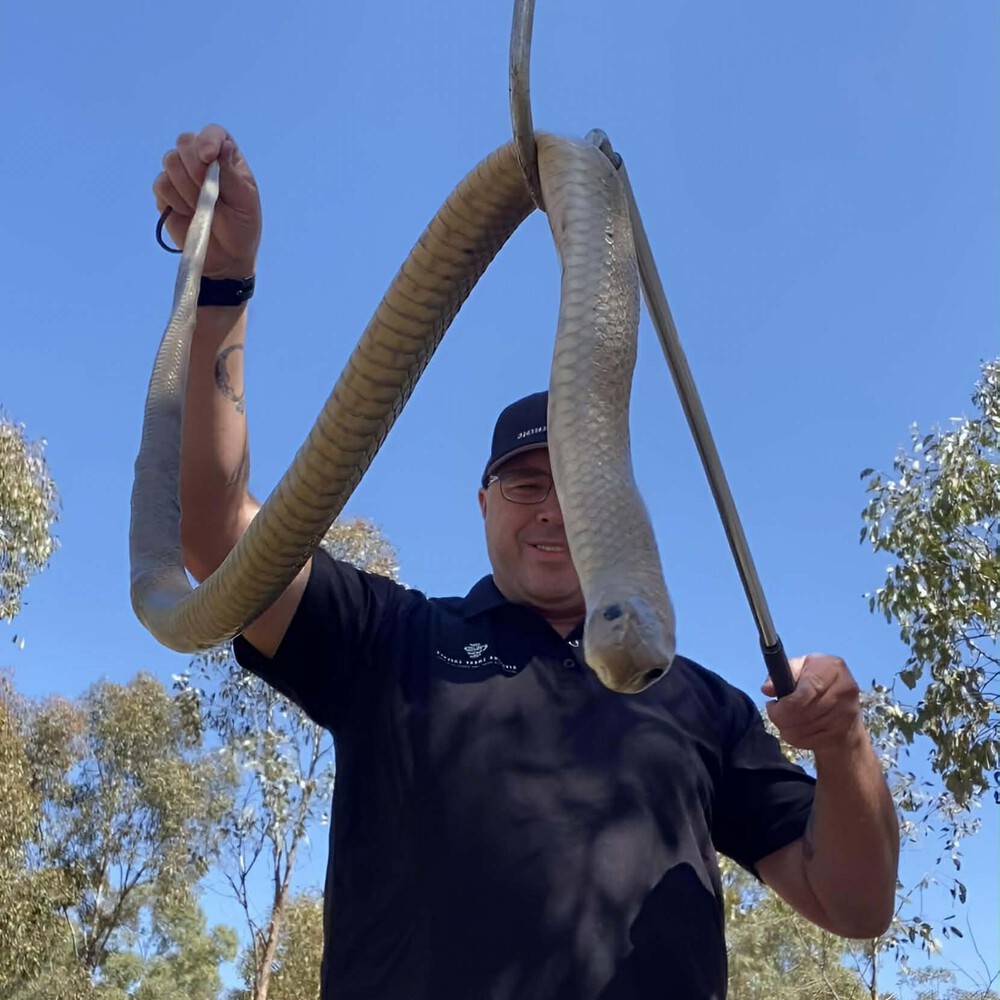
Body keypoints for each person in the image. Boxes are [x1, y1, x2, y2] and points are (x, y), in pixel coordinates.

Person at [155, 124, 899, 1000]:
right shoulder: (393, 641)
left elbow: (853, 902)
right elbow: (218, 540)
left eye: (578, 483)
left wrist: (844, 743)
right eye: (524, 483)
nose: (553, 509)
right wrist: (223, 280)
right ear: (483, 504)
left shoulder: (704, 703)